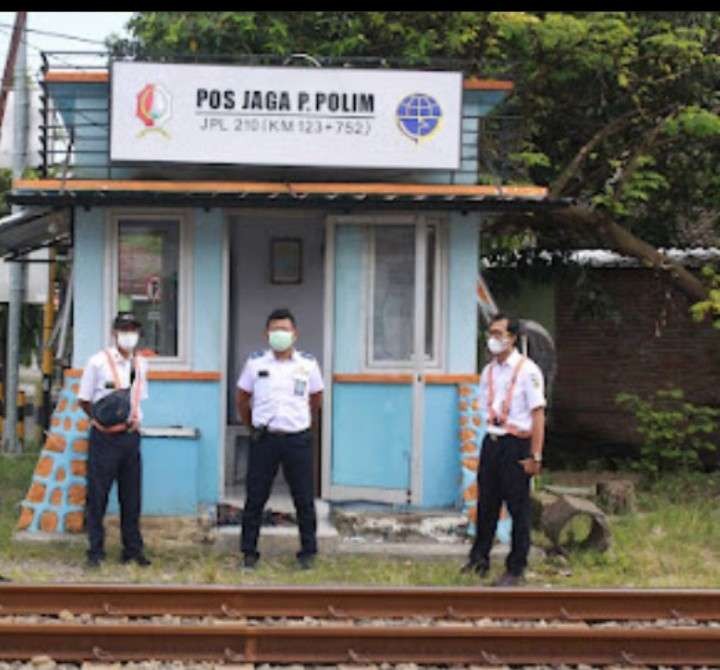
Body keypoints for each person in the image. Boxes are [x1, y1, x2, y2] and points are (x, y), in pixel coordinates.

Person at [461, 313, 546, 586]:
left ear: (512, 338)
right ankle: (479, 558)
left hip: (516, 442)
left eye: (499, 334)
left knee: (518, 507)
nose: (493, 339)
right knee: (486, 503)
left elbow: (538, 414)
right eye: (491, 333)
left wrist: (535, 455)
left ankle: (516, 567)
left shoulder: (527, 371)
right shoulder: (489, 371)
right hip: (493, 441)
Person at [236, 308, 324, 570]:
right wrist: (252, 426)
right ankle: (249, 553)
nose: (280, 335)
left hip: (297, 439)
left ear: (294, 334)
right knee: (255, 497)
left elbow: (316, 398)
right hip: (265, 439)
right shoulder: (256, 363)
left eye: (284, 330)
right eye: (275, 330)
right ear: (266, 334)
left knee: (303, 498)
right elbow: (242, 398)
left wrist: (302, 421)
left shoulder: (307, 364)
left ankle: (308, 552)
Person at [78, 312, 151, 568]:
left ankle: (132, 549)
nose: (129, 334)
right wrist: (100, 420)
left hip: (130, 438)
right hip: (104, 439)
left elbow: (139, 398)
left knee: (132, 497)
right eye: (124, 329)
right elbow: (84, 399)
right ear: (114, 332)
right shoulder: (97, 362)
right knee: (98, 497)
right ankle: (95, 550)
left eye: (133, 329)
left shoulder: (141, 364)